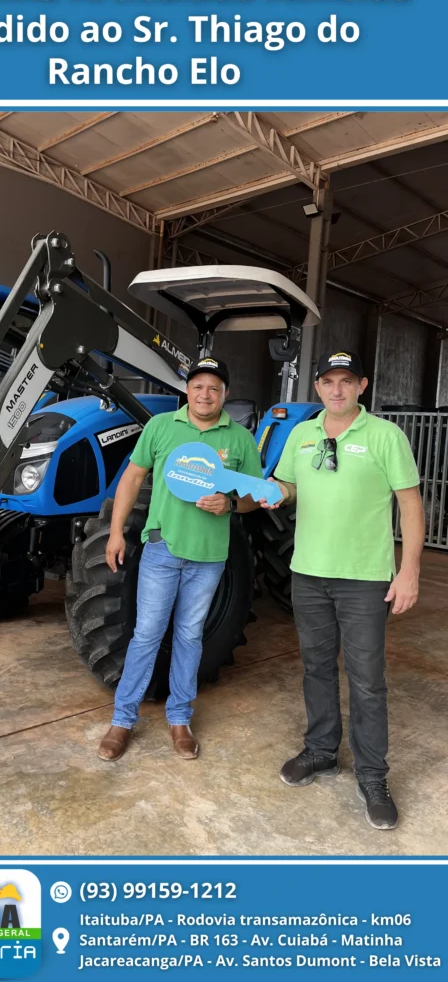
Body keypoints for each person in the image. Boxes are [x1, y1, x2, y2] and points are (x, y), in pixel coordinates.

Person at [263, 350, 424, 830]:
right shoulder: (301, 434)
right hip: (308, 573)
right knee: (316, 668)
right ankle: (321, 751)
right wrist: (274, 492)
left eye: (346, 381)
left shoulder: (385, 436)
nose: (337, 390)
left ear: (362, 386)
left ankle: (373, 775)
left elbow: (410, 505)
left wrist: (409, 571)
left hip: (364, 578)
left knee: (367, 679)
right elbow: (288, 485)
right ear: (317, 387)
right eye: (329, 381)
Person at [97, 357, 263, 762]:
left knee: (189, 637)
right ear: (187, 391)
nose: (205, 394)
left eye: (214, 388)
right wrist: (116, 532)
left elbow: (254, 497)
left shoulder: (239, 438)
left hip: (209, 557)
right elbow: (132, 478)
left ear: (224, 394)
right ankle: (122, 720)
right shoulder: (160, 427)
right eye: (198, 386)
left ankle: (179, 719)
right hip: (162, 549)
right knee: (147, 635)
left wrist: (230, 504)